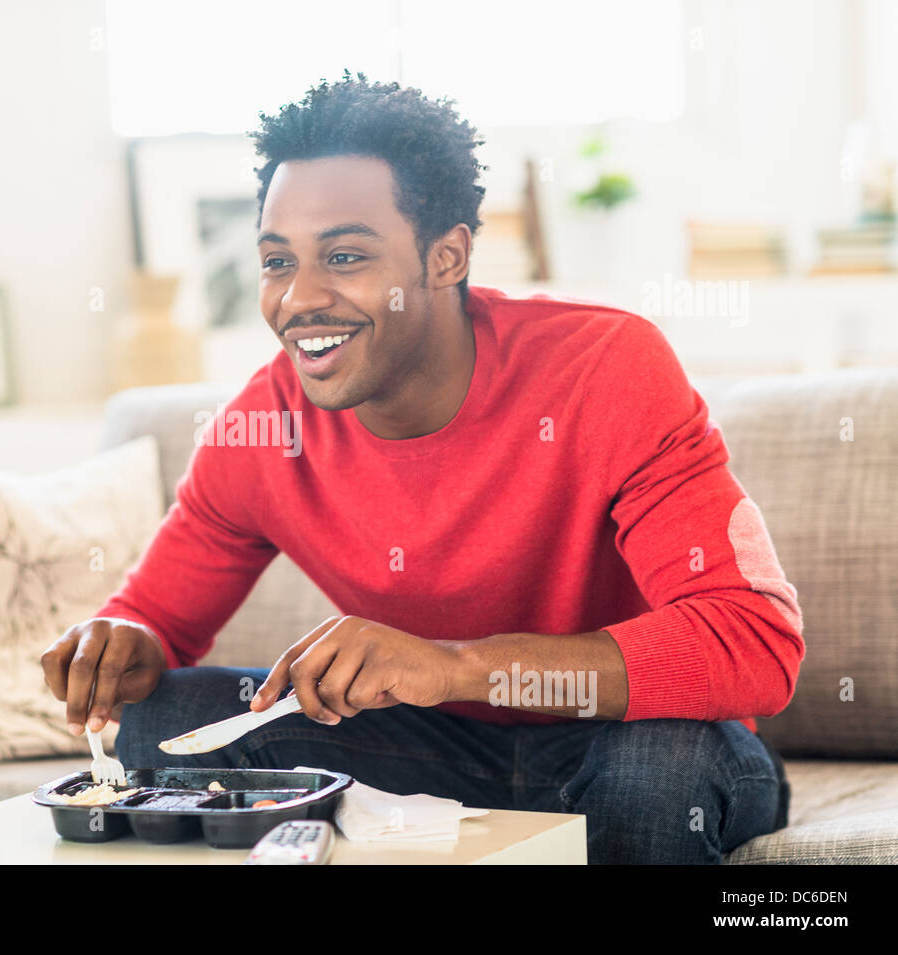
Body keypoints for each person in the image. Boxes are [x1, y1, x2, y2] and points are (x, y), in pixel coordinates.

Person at [40, 71, 801, 864]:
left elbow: (754, 641)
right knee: (161, 719)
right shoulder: (259, 430)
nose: (299, 298)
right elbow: (155, 625)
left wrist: (456, 667)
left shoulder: (604, 368)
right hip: (430, 757)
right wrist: (123, 640)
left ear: (446, 257)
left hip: (629, 746)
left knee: (656, 770)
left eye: (343, 255)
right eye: (276, 261)